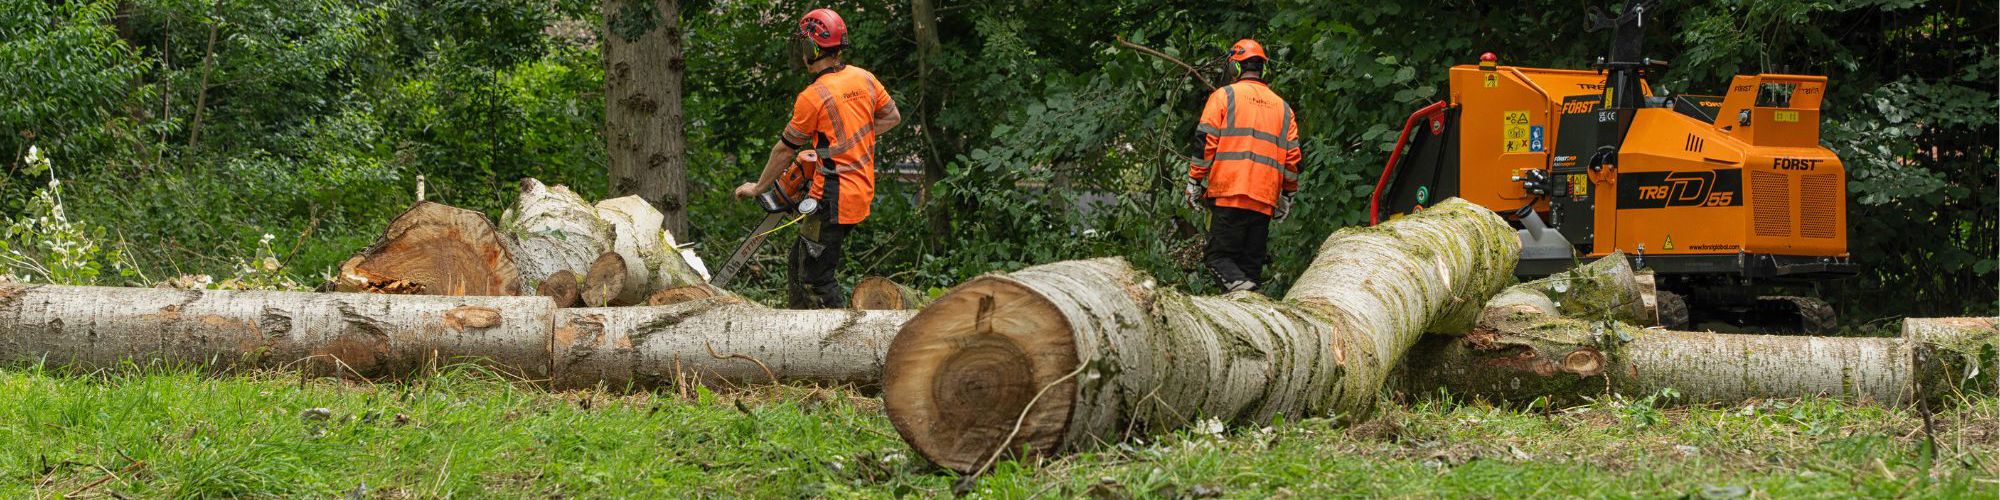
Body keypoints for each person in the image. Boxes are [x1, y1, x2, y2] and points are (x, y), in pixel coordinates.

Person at [733, 8, 900, 308]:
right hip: (858, 190)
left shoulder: (813, 96)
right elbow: (891, 116)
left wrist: (759, 187)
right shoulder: (864, 78)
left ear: (811, 49)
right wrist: (847, 146)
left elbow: (785, 149)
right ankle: (798, 333)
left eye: (802, 46)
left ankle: (841, 345)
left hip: (833, 199)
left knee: (816, 279)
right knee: (798, 259)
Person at [1185, 38, 1301, 292]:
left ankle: (1245, 294)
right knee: (1250, 271)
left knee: (1218, 259)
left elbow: (1205, 142)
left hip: (1230, 194)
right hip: (1263, 200)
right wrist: (1288, 195)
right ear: (1264, 69)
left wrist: (1195, 181)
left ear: (1234, 68)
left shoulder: (1224, 96)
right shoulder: (1284, 109)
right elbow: (1292, 160)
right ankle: (1250, 308)